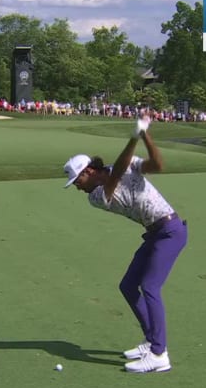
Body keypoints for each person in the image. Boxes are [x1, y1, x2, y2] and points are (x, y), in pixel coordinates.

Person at [62, 116, 188, 373]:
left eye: (77, 181)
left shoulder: (127, 165)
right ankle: (151, 340)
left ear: (88, 172)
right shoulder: (96, 196)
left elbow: (158, 165)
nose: (77, 188)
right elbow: (116, 175)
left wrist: (144, 135)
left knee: (150, 286)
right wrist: (134, 135)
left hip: (170, 230)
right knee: (128, 286)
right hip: (154, 233)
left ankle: (159, 353)